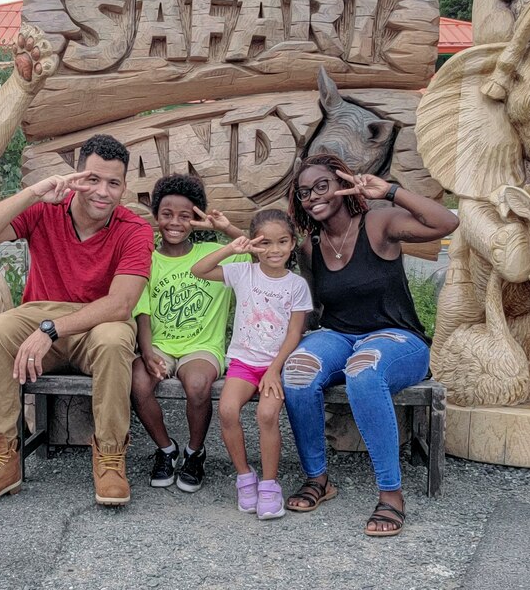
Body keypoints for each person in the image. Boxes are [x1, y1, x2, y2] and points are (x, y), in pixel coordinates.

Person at [0, 134, 154, 508]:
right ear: (76, 178)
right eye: (93, 179)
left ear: (124, 187)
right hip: (42, 311)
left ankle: (110, 457)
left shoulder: (135, 229)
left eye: (113, 183)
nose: (103, 192)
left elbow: (121, 304)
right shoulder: (45, 210)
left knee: (115, 339)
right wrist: (33, 193)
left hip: (99, 322)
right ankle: (1, 459)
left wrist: (50, 330)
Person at [282, 154, 458, 537]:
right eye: (305, 192)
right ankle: (318, 479)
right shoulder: (311, 246)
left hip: (397, 338)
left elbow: (447, 222)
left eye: (322, 186)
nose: (313, 196)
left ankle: (391, 493)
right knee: (296, 372)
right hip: (339, 335)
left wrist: (390, 191)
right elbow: (312, 309)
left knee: (363, 372)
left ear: (344, 186)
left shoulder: (378, 223)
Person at [191, 210, 313, 520]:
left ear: (293, 243)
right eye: (265, 243)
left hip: (276, 365)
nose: (274, 250)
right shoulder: (243, 272)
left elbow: (295, 332)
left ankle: (270, 485)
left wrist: (274, 369)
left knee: (267, 414)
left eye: (282, 242)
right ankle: (245, 477)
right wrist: (231, 247)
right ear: (254, 244)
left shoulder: (297, 285)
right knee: (227, 410)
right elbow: (199, 270)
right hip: (244, 363)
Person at [130, 173, 246, 493]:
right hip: (160, 344)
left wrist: (223, 229)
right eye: (167, 214)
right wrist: (148, 353)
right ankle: (166, 449)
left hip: (201, 346)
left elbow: (260, 251)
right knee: (138, 381)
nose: (175, 222)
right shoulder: (147, 259)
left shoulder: (215, 252)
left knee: (197, 385)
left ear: (197, 218)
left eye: (185, 216)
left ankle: (195, 453)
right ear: (156, 216)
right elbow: (143, 311)